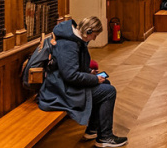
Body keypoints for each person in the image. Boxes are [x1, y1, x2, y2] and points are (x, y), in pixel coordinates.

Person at [38, 17, 128, 147]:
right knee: (109, 92)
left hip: (65, 84)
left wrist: (89, 72)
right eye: (94, 35)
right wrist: (94, 79)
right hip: (61, 90)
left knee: (105, 85)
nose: (94, 39)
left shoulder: (75, 40)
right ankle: (105, 137)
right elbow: (70, 75)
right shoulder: (69, 44)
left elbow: (74, 66)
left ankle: (93, 130)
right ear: (88, 31)